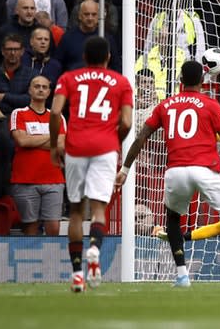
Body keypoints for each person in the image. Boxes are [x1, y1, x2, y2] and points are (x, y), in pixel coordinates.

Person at [115, 60, 220, 289]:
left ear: (180, 80)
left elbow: (141, 137)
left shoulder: (165, 105)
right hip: (204, 169)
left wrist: (125, 169)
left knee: (172, 219)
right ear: (202, 80)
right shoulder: (210, 104)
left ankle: (182, 275)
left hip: (175, 171)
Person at [49, 35, 132, 292]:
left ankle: (76, 274)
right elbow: (127, 122)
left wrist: (54, 144)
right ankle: (94, 249)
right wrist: (113, 141)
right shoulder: (121, 82)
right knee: (98, 209)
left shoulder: (69, 78)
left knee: (75, 211)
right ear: (108, 57)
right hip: (105, 148)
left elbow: (55, 112)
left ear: (84, 58)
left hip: (75, 146)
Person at [11, 76, 65, 235]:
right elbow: (21, 141)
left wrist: (32, 140)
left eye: (44, 87)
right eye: (37, 86)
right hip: (25, 180)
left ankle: (50, 259)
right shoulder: (18, 113)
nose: (40, 89)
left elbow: (62, 146)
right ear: (29, 89)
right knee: (30, 229)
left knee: (54, 228)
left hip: (54, 179)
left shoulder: (58, 116)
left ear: (49, 92)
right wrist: (52, 137)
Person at [55, 0, 121, 73]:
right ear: (80, 16)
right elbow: (57, 64)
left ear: (99, 16)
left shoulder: (106, 38)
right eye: (86, 14)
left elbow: (116, 66)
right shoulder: (67, 38)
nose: (90, 18)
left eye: (94, 14)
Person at [0, 34, 39, 116]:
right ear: (2, 51)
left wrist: (4, 96)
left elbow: (32, 99)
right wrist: (19, 99)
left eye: (16, 49)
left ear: (22, 51)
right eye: (9, 49)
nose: (13, 53)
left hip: (25, 118)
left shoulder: (33, 74)